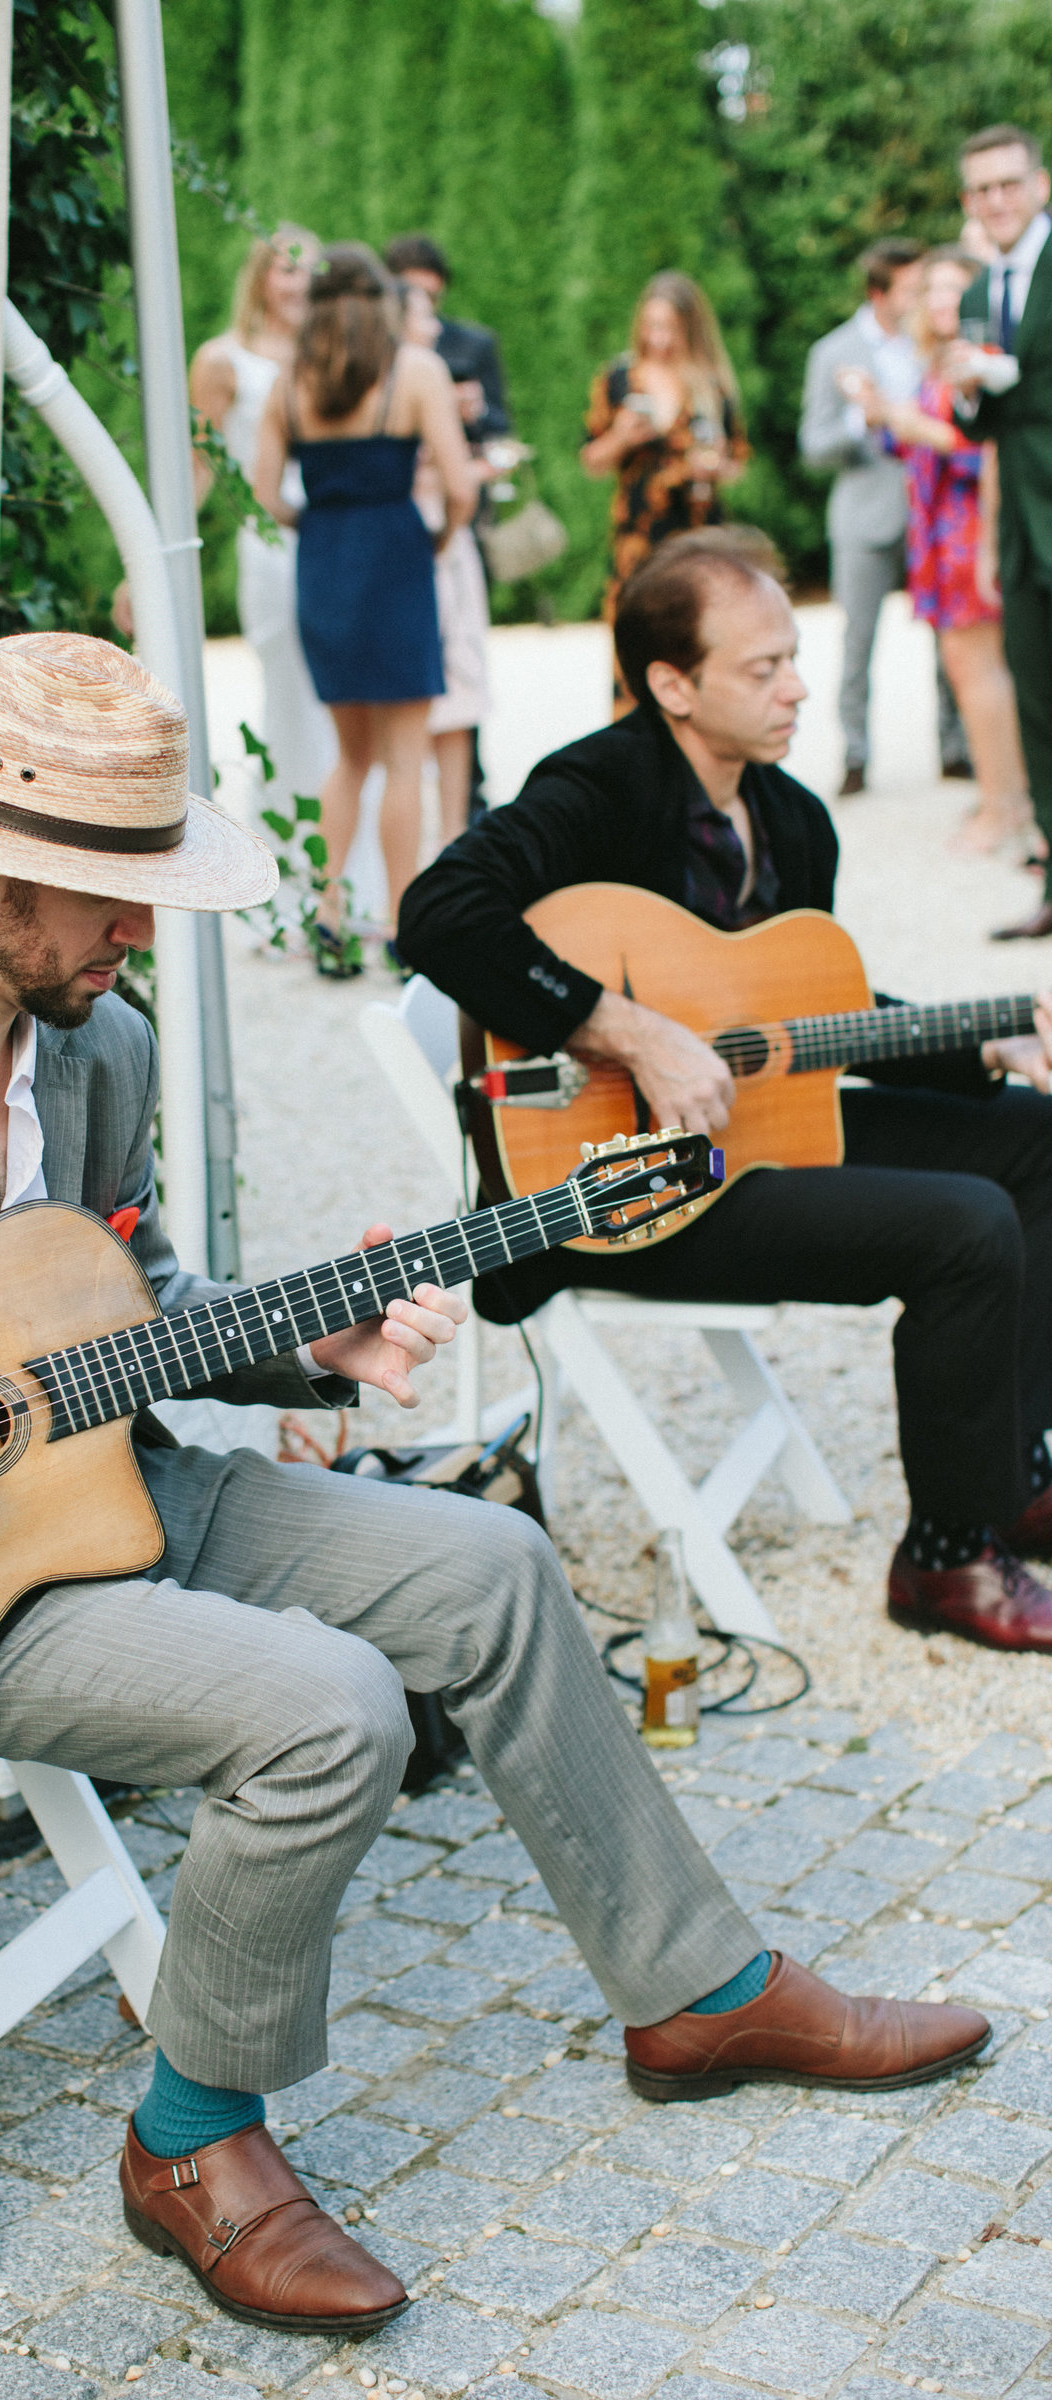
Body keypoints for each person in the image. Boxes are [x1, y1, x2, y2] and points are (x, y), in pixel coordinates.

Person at [0, 631, 988, 2333]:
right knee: (327, 1705)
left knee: (488, 1567)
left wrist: (301, 1348)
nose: (140, 930)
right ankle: (190, 2140)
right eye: (110, 893)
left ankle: (699, 1989)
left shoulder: (95, 1049)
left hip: (91, 1496)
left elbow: (132, 1304)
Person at [397, 530, 1052, 1655]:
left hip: (755, 1138)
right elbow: (438, 910)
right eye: (764, 669)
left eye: (795, 659)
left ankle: (1007, 1477)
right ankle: (946, 1556)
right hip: (624, 1184)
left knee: (1036, 1141)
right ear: (673, 685)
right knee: (963, 1226)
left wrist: (979, 1044)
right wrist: (630, 1030)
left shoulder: (792, 817)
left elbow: (799, 1011)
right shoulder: (597, 790)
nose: (797, 687)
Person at [253, 244, 477, 968]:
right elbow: (461, 485)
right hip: (398, 557)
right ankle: (405, 927)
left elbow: (263, 494)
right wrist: (436, 536)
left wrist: (314, 525)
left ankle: (328, 912)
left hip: (325, 565)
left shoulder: (290, 382)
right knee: (406, 762)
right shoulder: (415, 371)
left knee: (348, 758)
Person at [842, 246, 1031, 854]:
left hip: (972, 529)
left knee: (981, 674)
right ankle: (1001, 797)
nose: (941, 301)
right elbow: (922, 450)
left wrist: (914, 424)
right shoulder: (936, 364)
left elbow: (988, 447)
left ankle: (1007, 805)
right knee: (966, 672)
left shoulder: (985, 361)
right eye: (933, 290)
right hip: (935, 530)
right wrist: (882, 417)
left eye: (955, 289)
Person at [186, 225, 336, 829]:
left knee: (341, 697)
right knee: (288, 696)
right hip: (272, 541)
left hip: (334, 533)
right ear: (261, 277)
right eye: (285, 267)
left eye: (309, 269)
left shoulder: (334, 354)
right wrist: (152, 558)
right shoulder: (225, 360)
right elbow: (196, 461)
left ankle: (347, 850)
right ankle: (290, 852)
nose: (298, 281)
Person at [946, 126, 1052, 942]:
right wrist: (970, 390)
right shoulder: (980, 294)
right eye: (982, 190)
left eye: (1008, 183)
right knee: (1040, 705)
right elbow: (976, 427)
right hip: (1020, 528)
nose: (997, 200)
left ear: (1039, 183)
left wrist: (1014, 379)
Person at [581, 270, 748, 714]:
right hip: (639, 537)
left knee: (697, 644)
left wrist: (714, 467)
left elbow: (737, 459)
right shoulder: (618, 379)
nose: (658, 339)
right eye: (651, 326)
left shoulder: (711, 385)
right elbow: (591, 461)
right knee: (634, 646)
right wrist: (621, 438)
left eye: (669, 328)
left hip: (698, 532)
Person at [799, 240, 931, 797]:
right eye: (912, 288)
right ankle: (856, 756)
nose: (923, 297)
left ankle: (956, 748)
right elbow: (814, 446)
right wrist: (861, 419)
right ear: (880, 293)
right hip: (864, 514)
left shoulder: (933, 344)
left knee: (952, 637)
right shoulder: (834, 352)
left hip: (931, 512)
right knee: (858, 641)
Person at [401, 278, 491, 850]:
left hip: (433, 542)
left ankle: (449, 839)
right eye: (424, 314)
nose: (436, 325)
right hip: (433, 540)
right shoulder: (414, 376)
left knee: (454, 695)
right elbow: (440, 480)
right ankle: (451, 839)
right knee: (451, 691)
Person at [383, 231, 510, 447]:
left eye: (432, 297)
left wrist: (477, 409)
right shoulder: (369, 348)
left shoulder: (473, 344)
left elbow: (501, 429)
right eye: (412, 293)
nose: (423, 304)